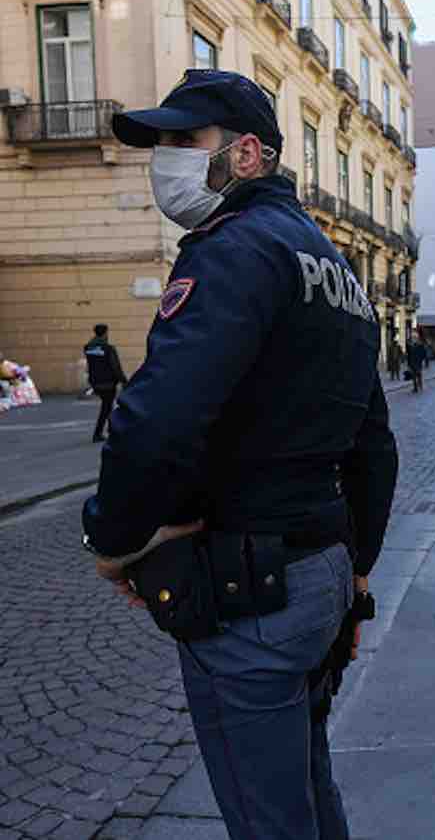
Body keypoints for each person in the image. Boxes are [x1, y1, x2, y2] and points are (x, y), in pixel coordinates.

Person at [81, 69, 398, 840]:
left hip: (251, 587)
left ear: (248, 154)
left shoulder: (230, 251)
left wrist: (113, 537)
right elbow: (374, 442)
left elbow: (154, 422)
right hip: (321, 566)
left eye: (185, 141)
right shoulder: (337, 269)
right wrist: (357, 564)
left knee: (267, 816)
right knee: (308, 783)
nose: (167, 159)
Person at [84, 324, 128, 443]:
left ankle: (110, 430)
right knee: (106, 407)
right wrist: (124, 381)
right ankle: (98, 433)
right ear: (105, 333)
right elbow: (115, 367)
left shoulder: (88, 347)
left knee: (107, 405)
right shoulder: (108, 348)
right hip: (108, 382)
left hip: (95, 382)